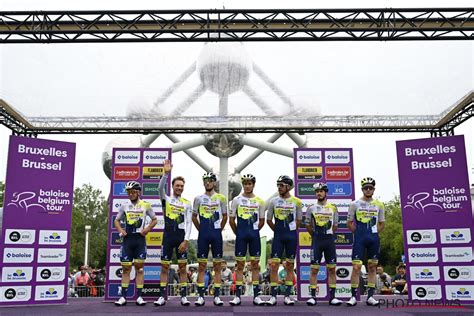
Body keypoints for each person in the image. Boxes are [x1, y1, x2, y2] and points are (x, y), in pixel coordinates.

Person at [154, 160, 193, 307]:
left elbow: (189, 222)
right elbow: (159, 189)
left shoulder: (187, 203)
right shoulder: (167, 199)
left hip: (181, 238)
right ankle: (161, 297)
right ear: (172, 186)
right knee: (164, 267)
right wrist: (165, 174)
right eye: (177, 185)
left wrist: (187, 240)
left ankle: (183, 296)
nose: (179, 188)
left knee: (183, 268)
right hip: (168, 237)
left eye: (182, 186)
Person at [114, 181, 158, 306]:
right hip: (128, 241)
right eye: (128, 192)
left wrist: (147, 229)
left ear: (138, 192)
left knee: (139, 269)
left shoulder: (145, 205)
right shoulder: (124, 206)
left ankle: (139, 297)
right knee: (126, 269)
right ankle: (123, 297)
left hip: (139, 240)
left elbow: (155, 220)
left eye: (133, 192)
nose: (130, 194)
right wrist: (121, 230)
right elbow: (117, 221)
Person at [346, 177, 385, 307]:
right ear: (362, 189)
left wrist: (374, 234)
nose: (368, 190)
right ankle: (353, 296)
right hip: (359, 239)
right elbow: (349, 223)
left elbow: (381, 224)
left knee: (372, 267)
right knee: (356, 267)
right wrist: (357, 233)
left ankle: (370, 296)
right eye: (366, 188)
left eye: (370, 188)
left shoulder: (379, 205)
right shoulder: (354, 204)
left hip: (374, 239)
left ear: (374, 189)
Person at [228, 174, 266, 306]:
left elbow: (262, 221)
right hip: (241, 237)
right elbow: (231, 220)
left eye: (250, 183)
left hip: (254, 236)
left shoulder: (260, 201)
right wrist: (238, 233)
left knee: (255, 266)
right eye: (245, 183)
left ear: (253, 184)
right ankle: (238, 296)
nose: (247, 185)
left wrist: (254, 231)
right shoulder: (236, 200)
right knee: (239, 266)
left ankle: (256, 295)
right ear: (243, 184)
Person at [192, 172, 228, 306]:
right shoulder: (198, 198)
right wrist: (200, 229)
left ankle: (217, 296)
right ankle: (201, 296)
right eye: (205, 181)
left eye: (210, 181)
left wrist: (219, 229)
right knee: (201, 266)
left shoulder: (221, 198)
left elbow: (225, 216)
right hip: (203, 235)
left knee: (217, 266)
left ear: (214, 183)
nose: (207, 183)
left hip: (216, 235)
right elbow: (194, 217)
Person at [266, 175, 302, 306]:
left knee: (290, 266)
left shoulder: (296, 201)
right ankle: (273, 295)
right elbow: (268, 219)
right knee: (274, 266)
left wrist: (291, 230)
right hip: (278, 237)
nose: (279, 188)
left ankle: (287, 295)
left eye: (281, 185)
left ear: (288, 186)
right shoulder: (273, 201)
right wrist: (278, 230)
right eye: (278, 185)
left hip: (291, 237)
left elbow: (299, 220)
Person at [305, 183, 343, 306]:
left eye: (321, 191)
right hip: (317, 240)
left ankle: (332, 297)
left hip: (329, 240)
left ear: (326, 193)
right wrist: (315, 234)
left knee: (332, 269)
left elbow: (335, 225)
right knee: (314, 269)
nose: (319, 193)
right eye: (317, 191)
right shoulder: (311, 208)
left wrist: (329, 233)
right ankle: (312, 296)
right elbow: (308, 225)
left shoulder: (333, 207)